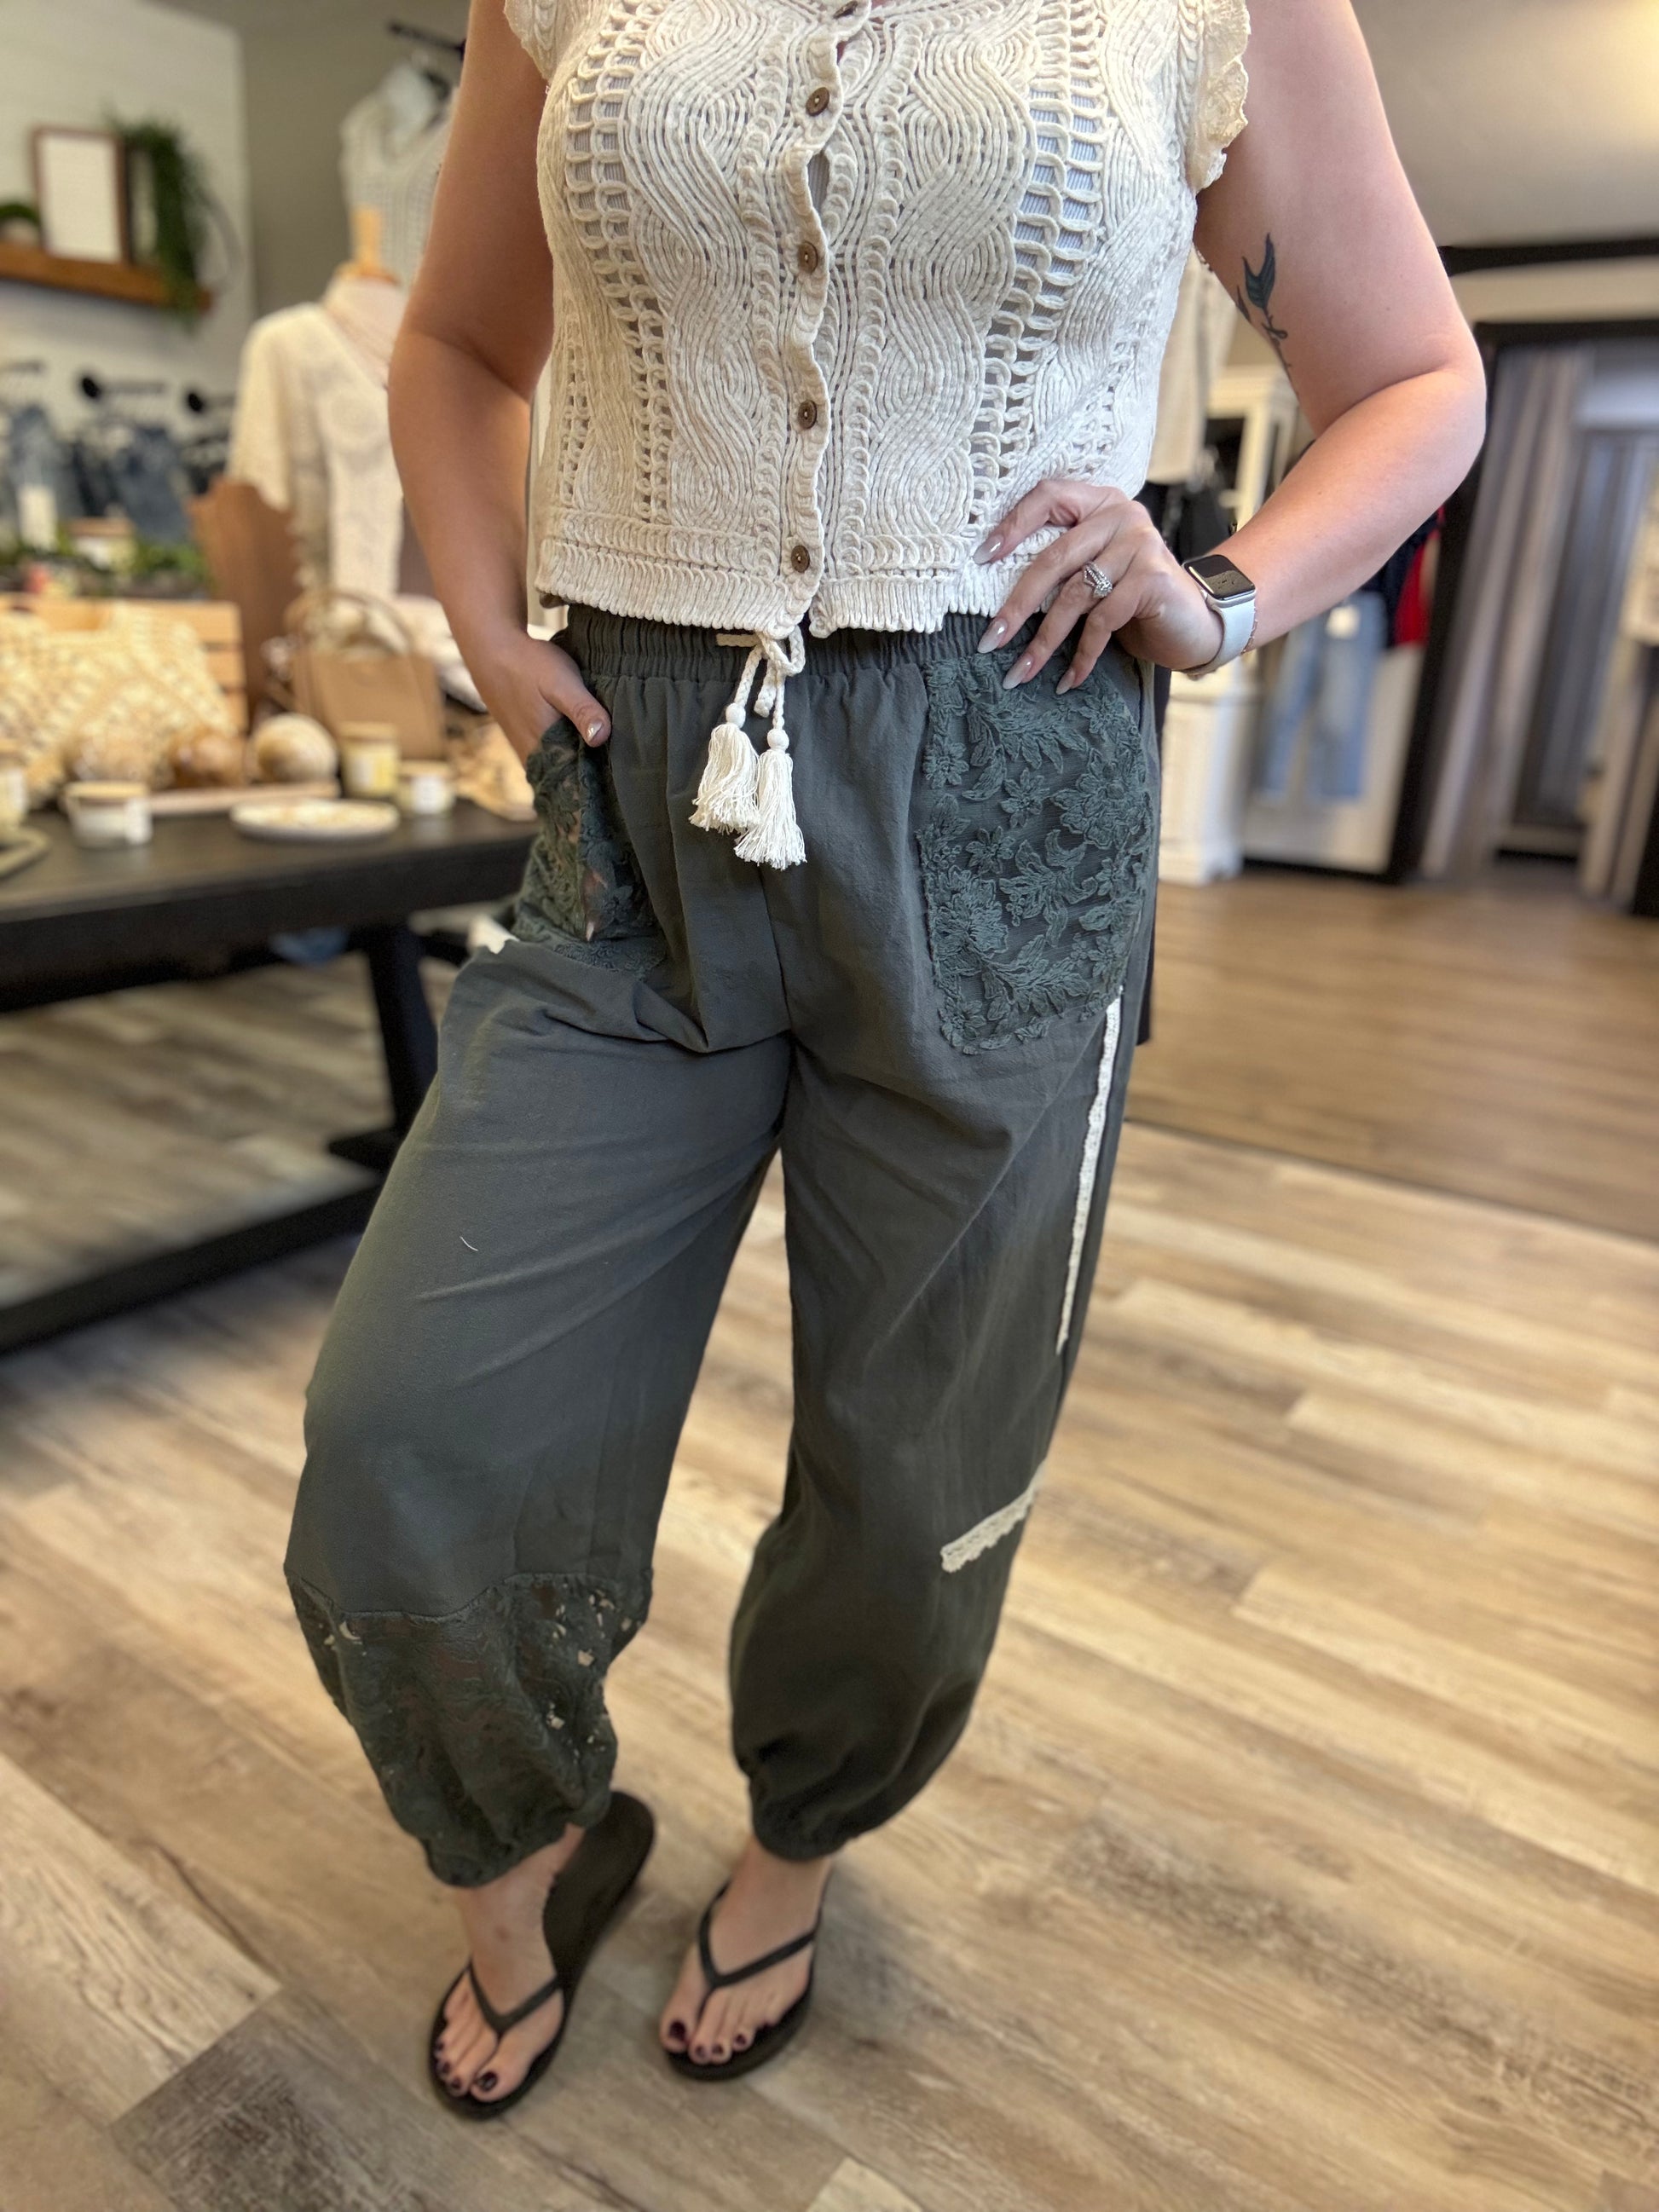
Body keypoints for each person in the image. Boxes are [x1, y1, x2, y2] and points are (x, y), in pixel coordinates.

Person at [284, 0, 1485, 2117]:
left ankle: (799, 1841)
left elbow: (1412, 379)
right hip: (634, 800)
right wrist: (479, 614)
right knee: (407, 1439)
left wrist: (1219, 591)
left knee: (921, 1462)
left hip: (1006, 782)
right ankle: (520, 1848)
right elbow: (458, 342)